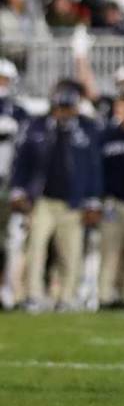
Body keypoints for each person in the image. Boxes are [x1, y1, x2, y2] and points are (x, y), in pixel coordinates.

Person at [10, 80, 103, 312]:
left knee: (70, 253)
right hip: (43, 200)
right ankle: (32, 295)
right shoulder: (37, 126)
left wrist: (93, 200)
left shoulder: (88, 128)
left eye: (67, 107)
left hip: (73, 202)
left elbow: (94, 167)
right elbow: (23, 161)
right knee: (35, 249)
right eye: (60, 107)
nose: (63, 112)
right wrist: (19, 190)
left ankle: (67, 297)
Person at [96, 92, 124, 308]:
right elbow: (97, 170)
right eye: (121, 109)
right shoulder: (106, 136)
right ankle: (105, 296)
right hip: (114, 200)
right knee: (110, 251)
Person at [0, 59, 29, 310]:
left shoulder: (20, 112)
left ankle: (9, 293)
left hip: (9, 185)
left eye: (4, 80)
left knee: (13, 241)